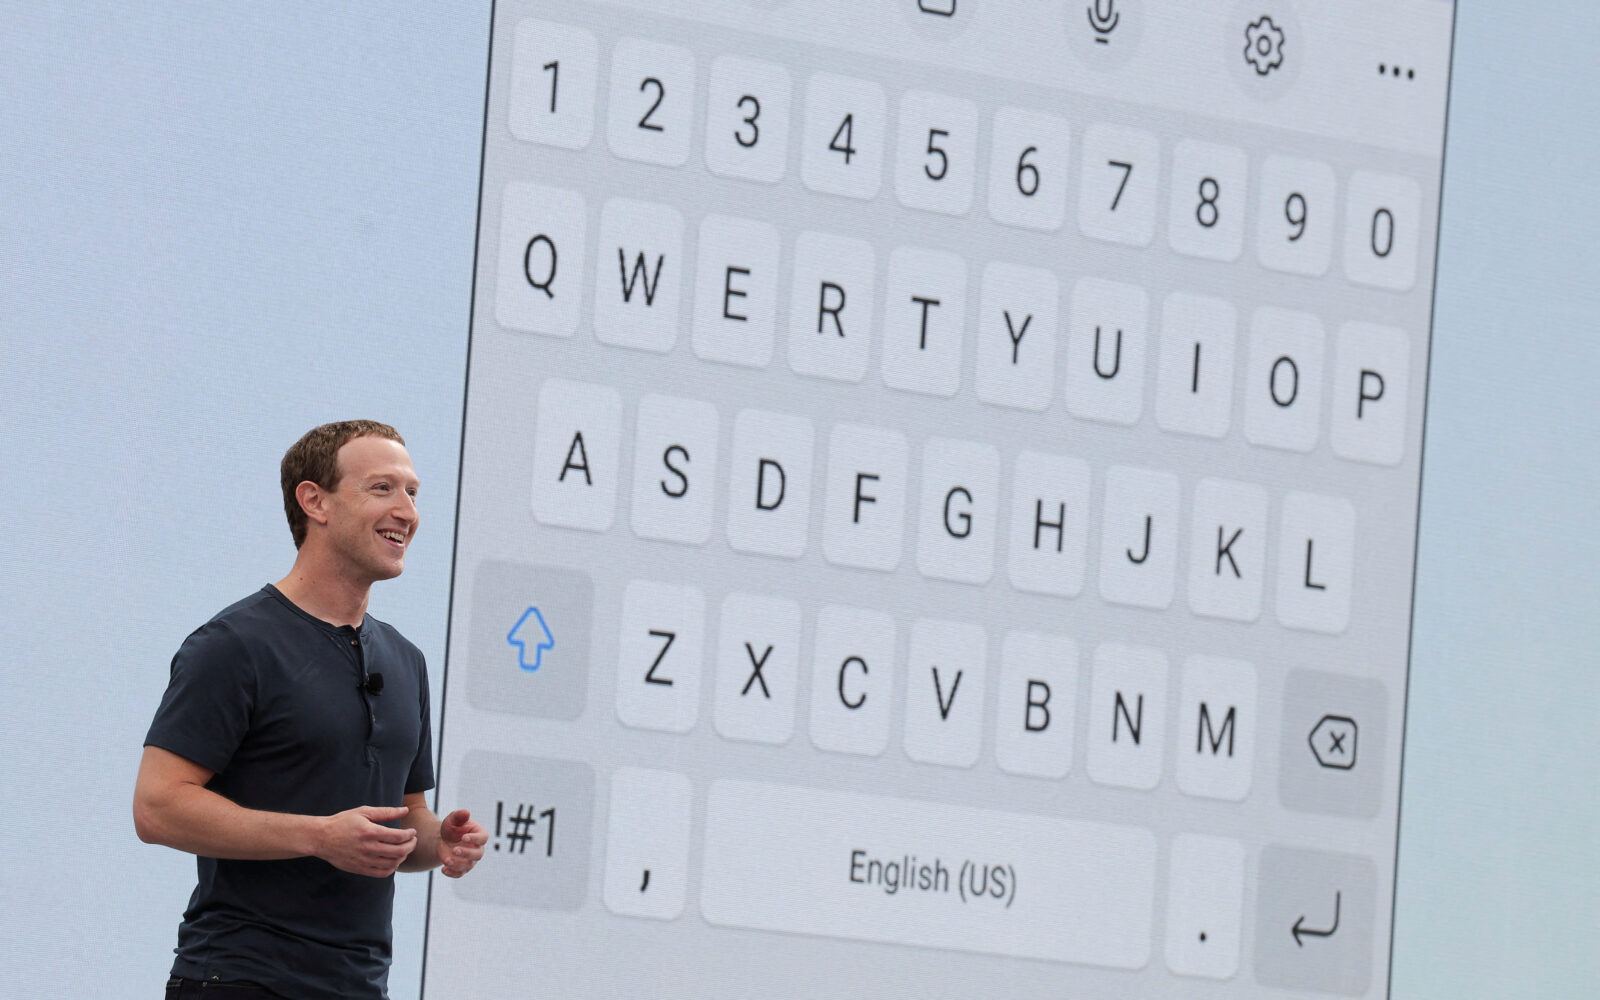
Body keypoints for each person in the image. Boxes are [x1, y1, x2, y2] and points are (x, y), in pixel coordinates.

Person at [133, 420, 486, 999]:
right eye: (382, 488)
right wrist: (318, 836)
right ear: (314, 501)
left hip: (359, 986)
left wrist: (438, 841)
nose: (407, 511)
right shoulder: (234, 644)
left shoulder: (407, 661)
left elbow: (405, 818)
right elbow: (157, 807)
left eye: (412, 492)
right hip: (239, 979)